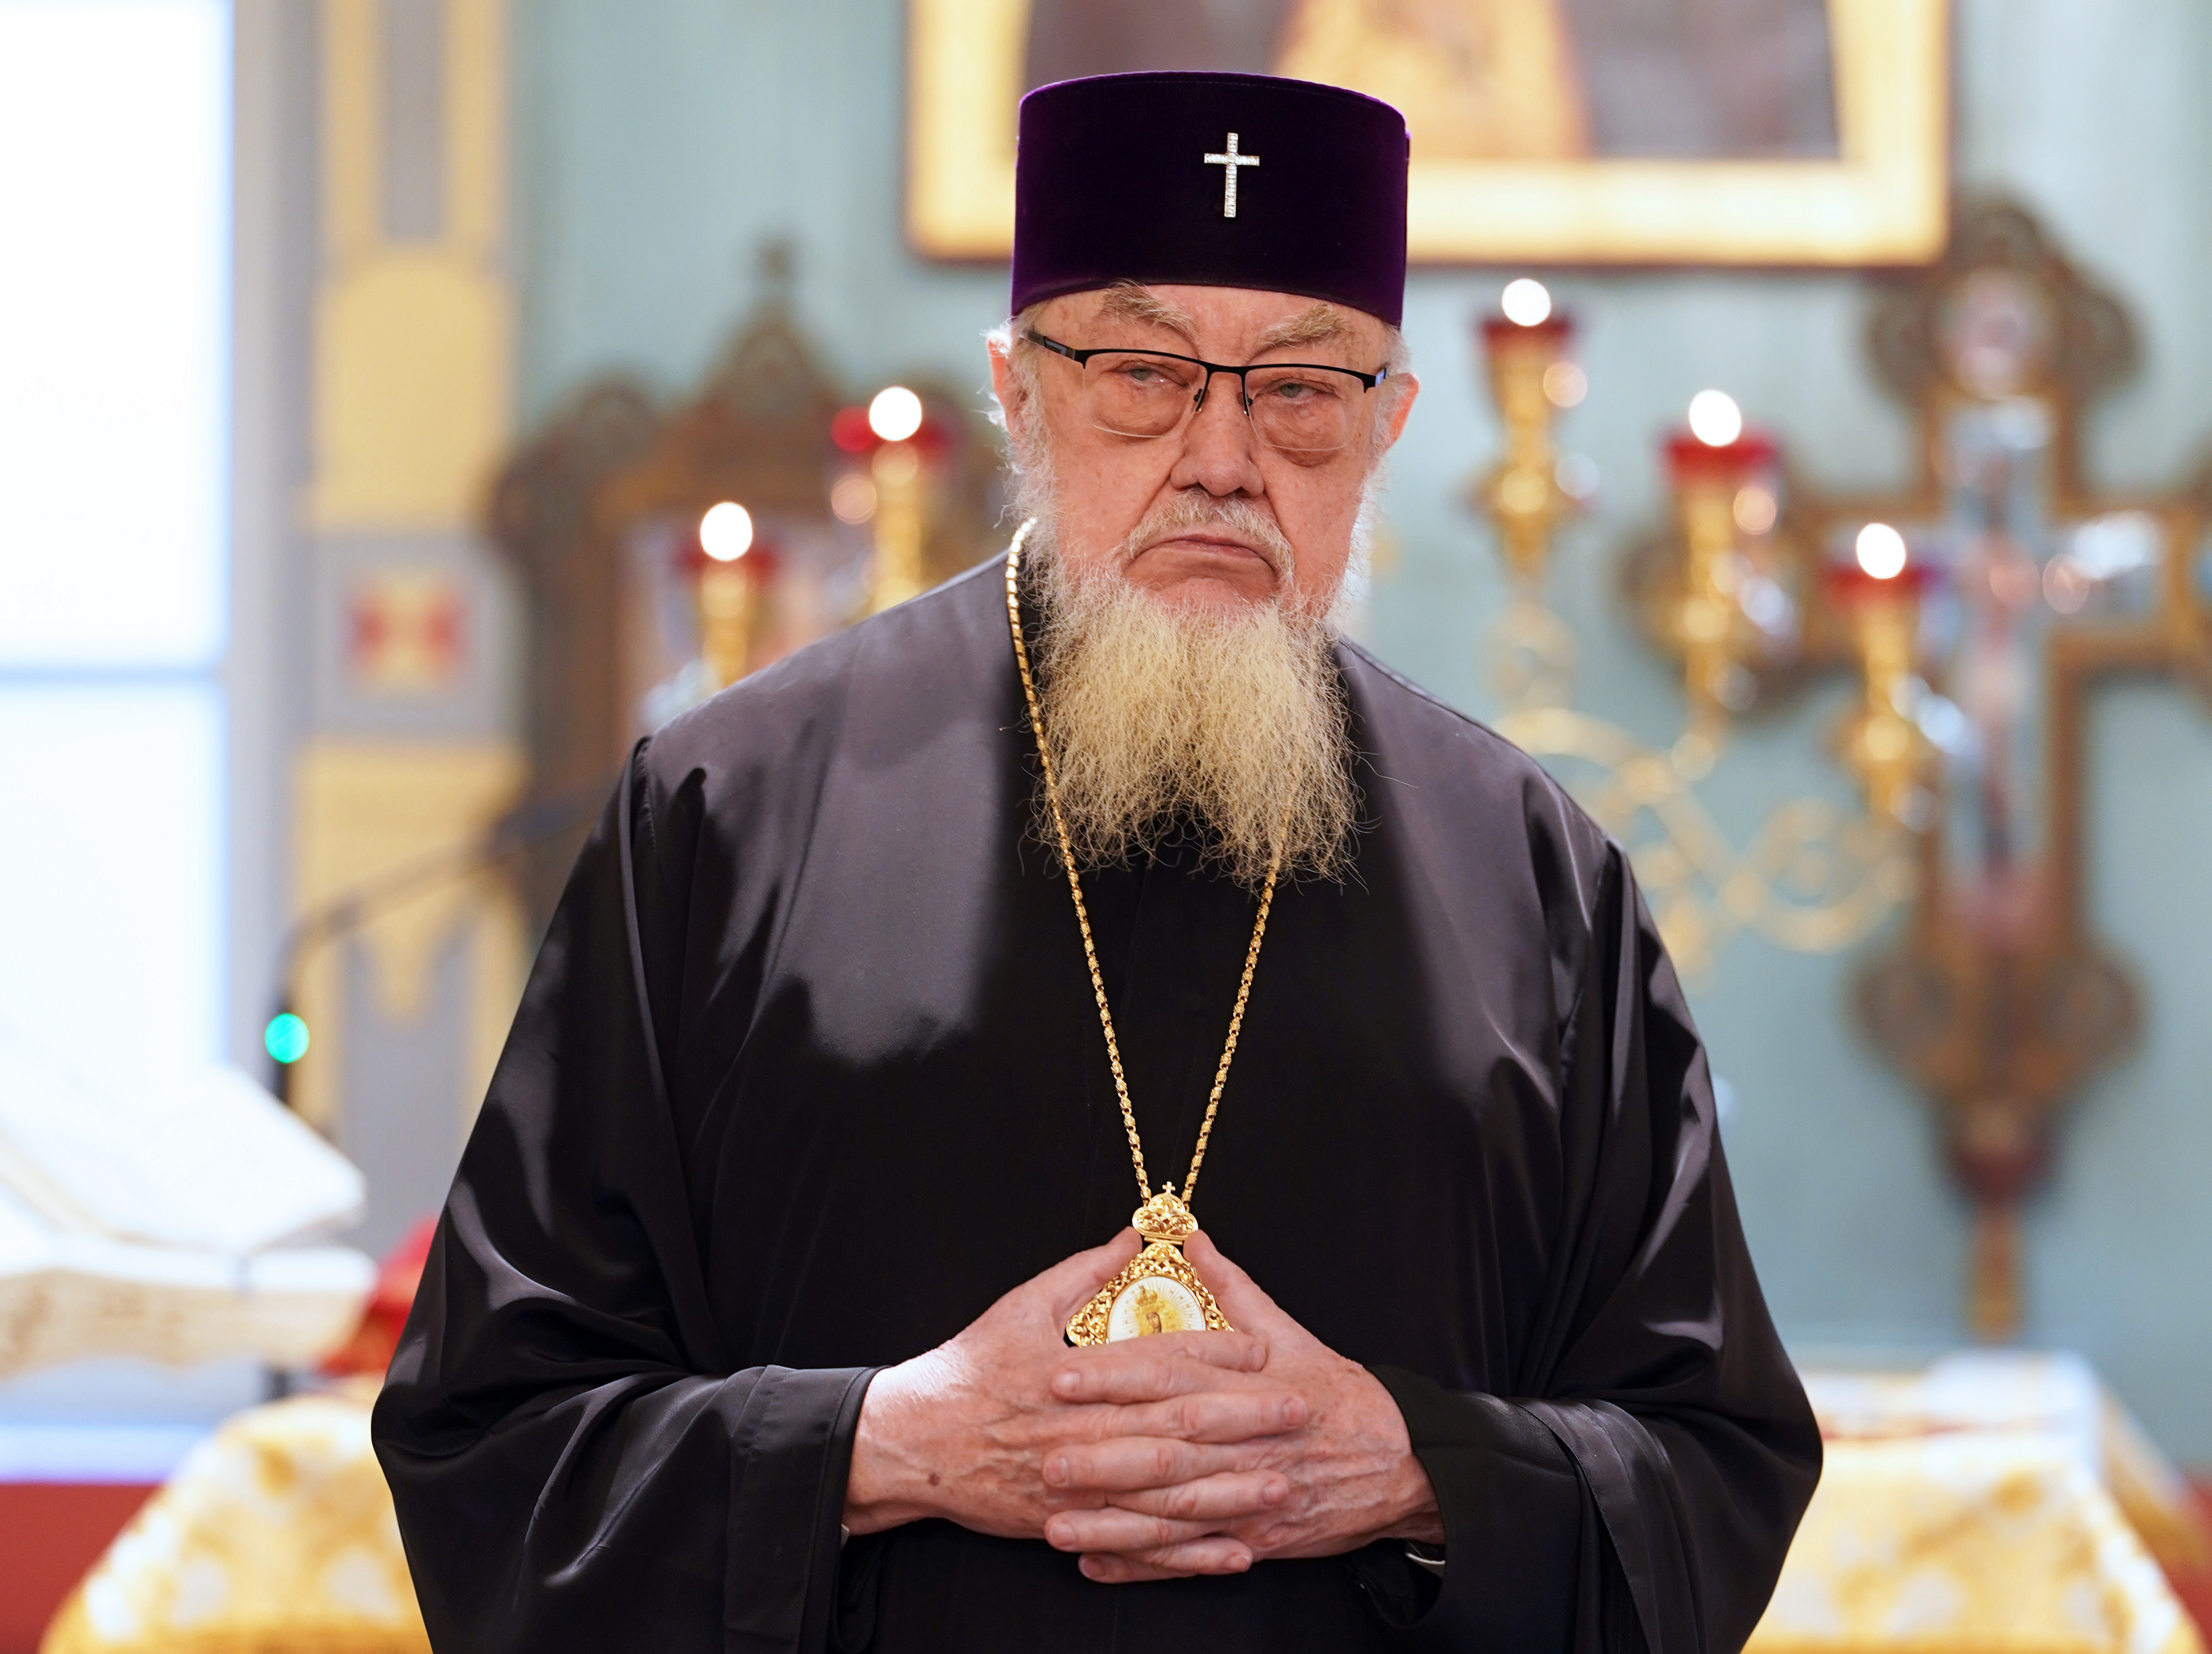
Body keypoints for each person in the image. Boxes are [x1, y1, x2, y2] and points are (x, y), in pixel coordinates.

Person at [374, 70, 1820, 1653]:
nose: (1222, 457)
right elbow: (492, 1438)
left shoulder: (1534, 876)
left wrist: (1412, 1469)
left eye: (1300, 390)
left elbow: (1712, 1464)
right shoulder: (727, 812)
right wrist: (883, 1446)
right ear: (1018, 394)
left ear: (1386, 426)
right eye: (1142, 375)